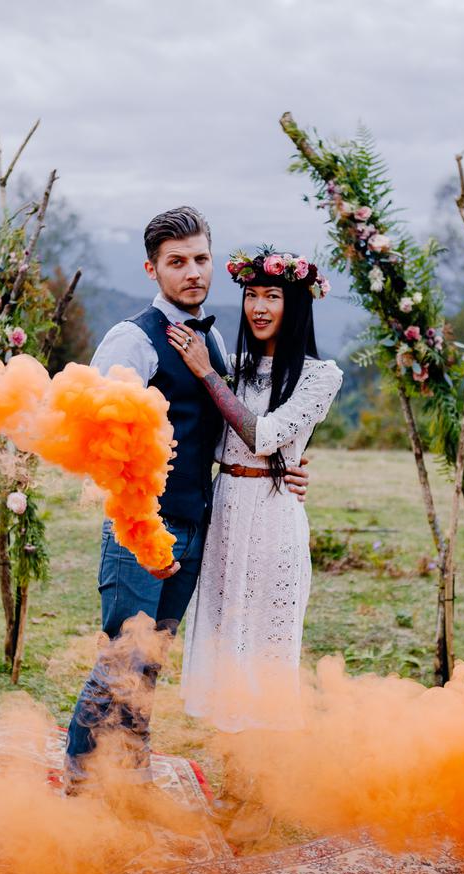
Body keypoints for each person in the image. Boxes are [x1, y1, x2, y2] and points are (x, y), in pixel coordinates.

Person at [64, 210, 310, 815]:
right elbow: (92, 432)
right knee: (123, 656)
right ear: (153, 268)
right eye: (177, 262)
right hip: (141, 524)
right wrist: (137, 513)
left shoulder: (215, 339)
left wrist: (284, 467)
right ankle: (79, 783)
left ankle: (131, 779)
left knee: (153, 660)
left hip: (197, 522)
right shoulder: (132, 338)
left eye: (201, 259)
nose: (193, 272)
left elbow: (232, 427)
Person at [170, 245, 343, 839]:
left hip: (272, 523)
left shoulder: (321, 375)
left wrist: (206, 374)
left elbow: (265, 435)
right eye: (252, 294)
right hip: (226, 514)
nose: (260, 306)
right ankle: (234, 787)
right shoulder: (234, 365)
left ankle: (265, 797)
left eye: (274, 296)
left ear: (296, 305)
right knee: (226, 652)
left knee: (265, 657)